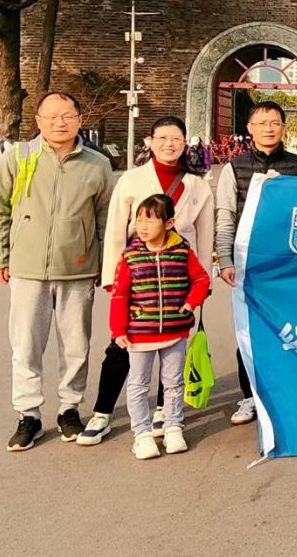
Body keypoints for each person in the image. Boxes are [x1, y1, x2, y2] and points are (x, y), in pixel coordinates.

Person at [80, 116, 217, 447]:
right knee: (122, 343)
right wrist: (112, 276)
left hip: (178, 272)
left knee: (172, 345)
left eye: (176, 138)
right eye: (163, 138)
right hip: (137, 269)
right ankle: (103, 411)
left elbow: (205, 233)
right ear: (150, 141)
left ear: (185, 142)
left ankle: (162, 410)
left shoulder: (197, 184)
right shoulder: (132, 179)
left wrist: (203, 284)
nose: (170, 144)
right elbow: (116, 227)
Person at [0, 92, 114, 451]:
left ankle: (69, 408)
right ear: (38, 121)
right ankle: (28, 414)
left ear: (79, 119)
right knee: (26, 345)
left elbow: (105, 218)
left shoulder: (97, 164)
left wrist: (104, 265)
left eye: (68, 115)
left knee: (76, 346)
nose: (60, 122)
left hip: (78, 268)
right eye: (52, 116)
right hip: (27, 268)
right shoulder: (19, 157)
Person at [213, 100, 297, 427]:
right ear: (250, 129)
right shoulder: (234, 167)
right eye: (262, 123)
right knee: (249, 329)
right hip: (249, 263)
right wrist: (225, 259)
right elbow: (225, 216)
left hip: (287, 265)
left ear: (284, 128)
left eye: (275, 123)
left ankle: (288, 394)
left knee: (290, 329)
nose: (269, 128)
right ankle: (249, 396)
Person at [109, 193, 209, 460]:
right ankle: (142, 434)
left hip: (176, 331)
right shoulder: (130, 256)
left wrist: (191, 302)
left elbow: (201, 279)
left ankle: (173, 426)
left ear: (169, 223)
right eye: (139, 220)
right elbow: (120, 295)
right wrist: (118, 330)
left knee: (174, 383)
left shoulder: (182, 250)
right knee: (138, 385)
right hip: (139, 333)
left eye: (150, 221)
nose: (142, 226)